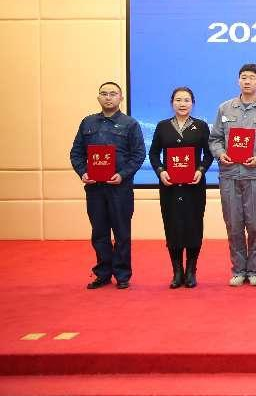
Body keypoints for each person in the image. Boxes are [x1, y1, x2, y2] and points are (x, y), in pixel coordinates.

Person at [70, 81, 145, 290]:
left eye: (113, 94)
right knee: (99, 233)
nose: (108, 97)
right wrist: (83, 172)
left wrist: (122, 175)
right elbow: (76, 153)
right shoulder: (87, 123)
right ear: (98, 97)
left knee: (122, 233)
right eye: (104, 94)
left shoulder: (130, 124)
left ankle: (122, 274)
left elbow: (139, 154)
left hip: (120, 188)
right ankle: (102, 273)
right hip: (95, 188)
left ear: (121, 98)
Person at [209, 64, 256, 287]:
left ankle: (255, 270)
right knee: (234, 224)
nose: (247, 81)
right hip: (230, 175)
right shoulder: (225, 109)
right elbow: (215, 139)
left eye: (252, 78)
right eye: (243, 77)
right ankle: (238, 270)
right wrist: (220, 153)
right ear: (238, 81)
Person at [148, 87, 214, 289]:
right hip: (170, 186)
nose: (182, 103)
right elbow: (153, 153)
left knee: (193, 226)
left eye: (186, 100)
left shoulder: (201, 126)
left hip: (194, 186)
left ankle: (191, 271)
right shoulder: (163, 126)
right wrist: (160, 171)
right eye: (178, 100)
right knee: (173, 226)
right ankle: (177, 272)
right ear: (172, 103)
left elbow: (209, 154)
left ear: (193, 103)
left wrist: (201, 170)